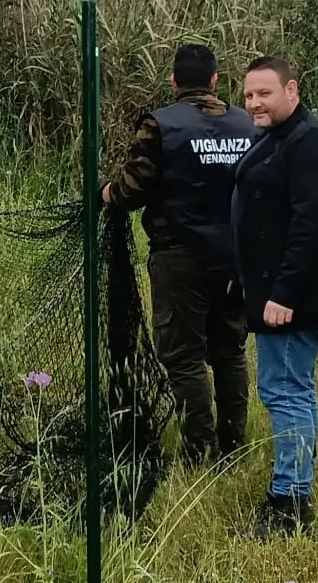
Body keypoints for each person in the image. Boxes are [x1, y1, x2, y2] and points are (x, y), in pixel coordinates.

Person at [101, 43, 257, 466]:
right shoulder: (247, 125)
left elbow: (132, 192)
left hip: (179, 258)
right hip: (235, 258)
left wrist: (106, 195)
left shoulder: (160, 125)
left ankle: (198, 450)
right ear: (214, 81)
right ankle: (233, 445)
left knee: (184, 355)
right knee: (229, 349)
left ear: (173, 82)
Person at [231, 55, 318, 537]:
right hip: (270, 287)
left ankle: (288, 506)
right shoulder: (275, 139)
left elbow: (309, 226)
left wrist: (283, 294)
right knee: (293, 390)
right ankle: (295, 492)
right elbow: (264, 218)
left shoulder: (311, 144)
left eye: (264, 93)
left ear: (292, 91)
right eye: (247, 95)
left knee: (283, 391)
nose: (254, 102)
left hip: (294, 296)